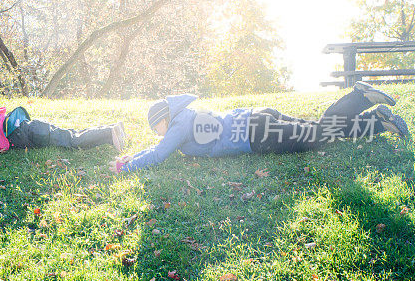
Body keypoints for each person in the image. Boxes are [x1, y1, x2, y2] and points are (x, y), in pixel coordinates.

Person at [110, 82, 409, 173]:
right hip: (257, 117)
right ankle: (378, 120)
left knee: (319, 134)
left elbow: (161, 154)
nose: (157, 133)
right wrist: (130, 157)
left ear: (164, 119)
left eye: (155, 127)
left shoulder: (177, 126)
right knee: (323, 130)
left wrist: (126, 168)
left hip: (258, 135)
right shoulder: (185, 118)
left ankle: (359, 97)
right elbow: (159, 147)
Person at [0, 101, 126, 153]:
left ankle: (109, 133)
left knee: (73, 141)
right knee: (73, 134)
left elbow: (3, 146)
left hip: (36, 134)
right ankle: (113, 129)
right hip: (36, 127)